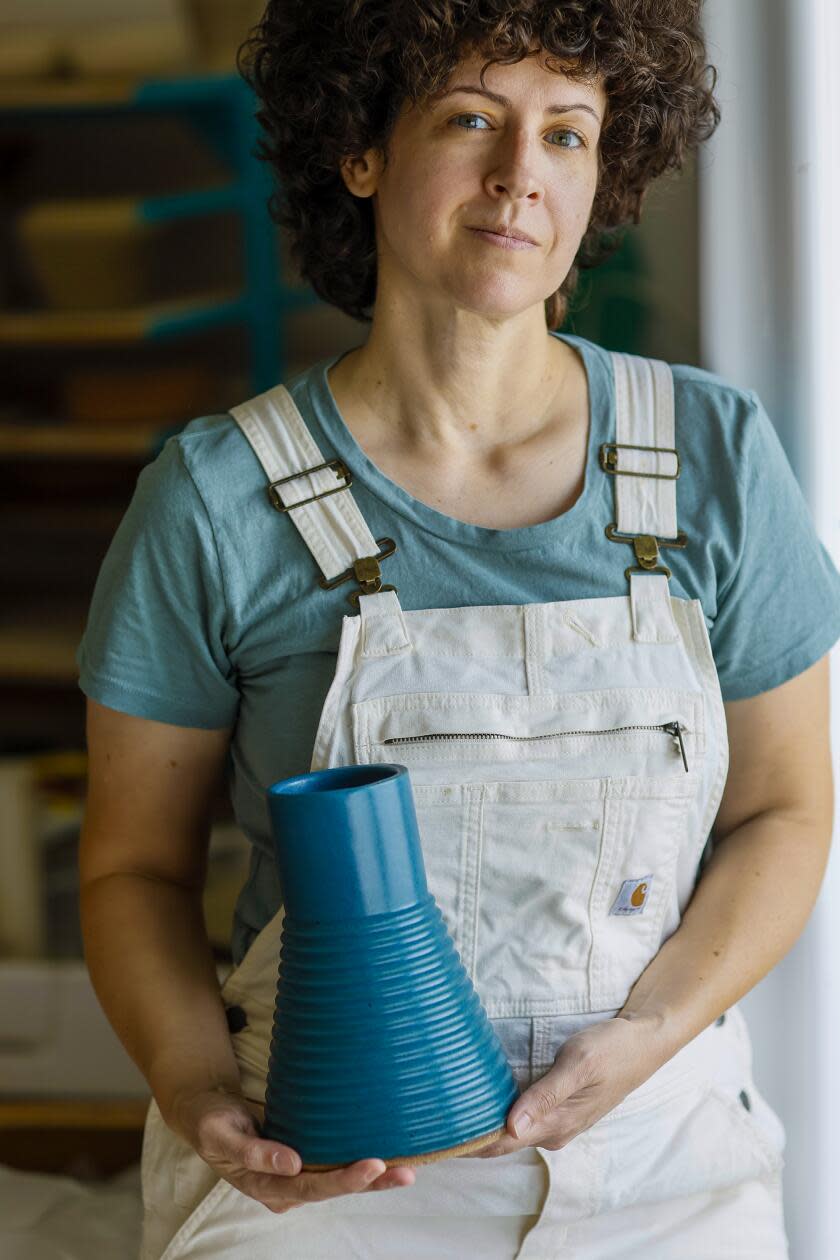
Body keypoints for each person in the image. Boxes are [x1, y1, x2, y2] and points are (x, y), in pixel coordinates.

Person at [77, 2, 840, 1257]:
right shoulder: (217, 501)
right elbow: (132, 873)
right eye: (472, 118)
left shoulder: (713, 457)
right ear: (361, 150)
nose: (519, 177)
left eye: (570, 135)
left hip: (655, 1160)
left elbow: (787, 811)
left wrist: (649, 1038)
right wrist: (196, 1092)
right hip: (320, 1173)